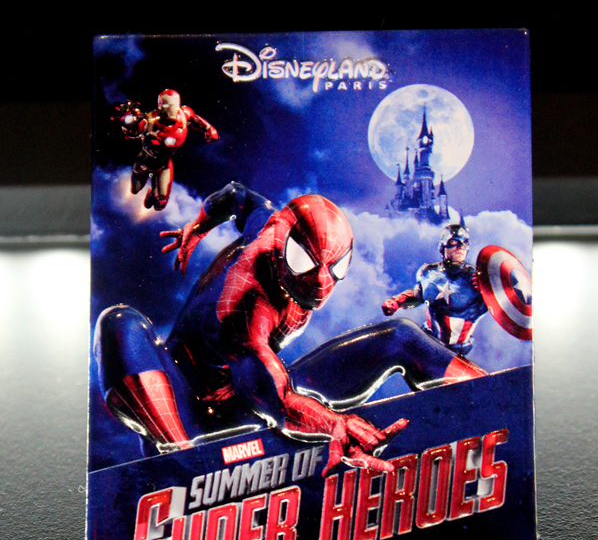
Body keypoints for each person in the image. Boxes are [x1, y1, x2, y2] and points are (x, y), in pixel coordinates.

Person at [95, 185, 484, 475]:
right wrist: (334, 424)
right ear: (282, 247)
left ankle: (487, 388)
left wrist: (198, 225)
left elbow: (235, 196)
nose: (321, 282)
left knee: (402, 337)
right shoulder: (245, 298)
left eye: (335, 267)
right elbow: (274, 399)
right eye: (305, 262)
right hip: (191, 410)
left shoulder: (269, 221)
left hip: (253, 396)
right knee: (119, 321)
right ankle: (176, 455)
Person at [382, 221, 488, 357]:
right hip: (426, 343)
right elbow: (418, 296)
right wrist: (397, 302)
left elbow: (503, 304)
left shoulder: (478, 279)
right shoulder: (428, 272)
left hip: (454, 354)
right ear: (443, 246)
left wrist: (489, 289)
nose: (460, 247)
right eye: (454, 242)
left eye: (464, 243)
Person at [114, 89, 218, 210]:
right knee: (135, 189)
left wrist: (209, 128)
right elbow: (134, 132)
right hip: (146, 160)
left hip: (164, 164)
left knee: (161, 203)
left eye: (173, 106)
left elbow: (196, 119)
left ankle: (153, 194)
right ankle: (149, 192)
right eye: (167, 106)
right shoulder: (150, 120)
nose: (170, 110)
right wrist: (128, 122)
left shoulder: (184, 114)